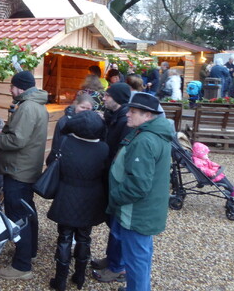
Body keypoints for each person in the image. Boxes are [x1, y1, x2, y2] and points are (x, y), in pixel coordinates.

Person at [106, 93, 173, 291]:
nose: (128, 114)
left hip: (137, 212)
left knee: (136, 261)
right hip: (144, 210)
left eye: (133, 112)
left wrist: (115, 196)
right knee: (140, 256)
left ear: (148, 116)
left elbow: (138, 186)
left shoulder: (145, 140)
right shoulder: (151, 134)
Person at [0, 70, 48, 280]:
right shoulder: (37, 105)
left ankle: (22, 266)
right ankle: (29, 250)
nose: (10, 90)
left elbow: (16, 141)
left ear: (21, 87)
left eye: (12, 86)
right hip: (27, 168)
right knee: (28, 212)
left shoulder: (27, 108)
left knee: (18, 217)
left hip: (17, 171)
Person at [47, 111, 110, 291]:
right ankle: (79, 277)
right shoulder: (103, 149)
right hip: (91, 197)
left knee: (65, 237)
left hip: (67, 194)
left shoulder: (66, 143)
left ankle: (60, 281)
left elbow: (52, 161)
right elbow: (104, 173)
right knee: (84, 236)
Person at [91, 83, 132, 284]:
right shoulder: (116, 116)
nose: (104, 98)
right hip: (109, 175)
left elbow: (121, 152)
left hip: (117, 179)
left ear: (118, 99)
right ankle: (112, 259)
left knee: (118, 225)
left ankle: (118, 267)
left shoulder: (125, 121)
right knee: (113, 222)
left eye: (108, 96)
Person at [46, 93, 95, 166]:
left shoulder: (94, 123)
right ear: (76, 105)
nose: (84, 111)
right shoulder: (64, 121)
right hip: (65, 158)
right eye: (82, 107)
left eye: (88, 109)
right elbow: (57, 141)